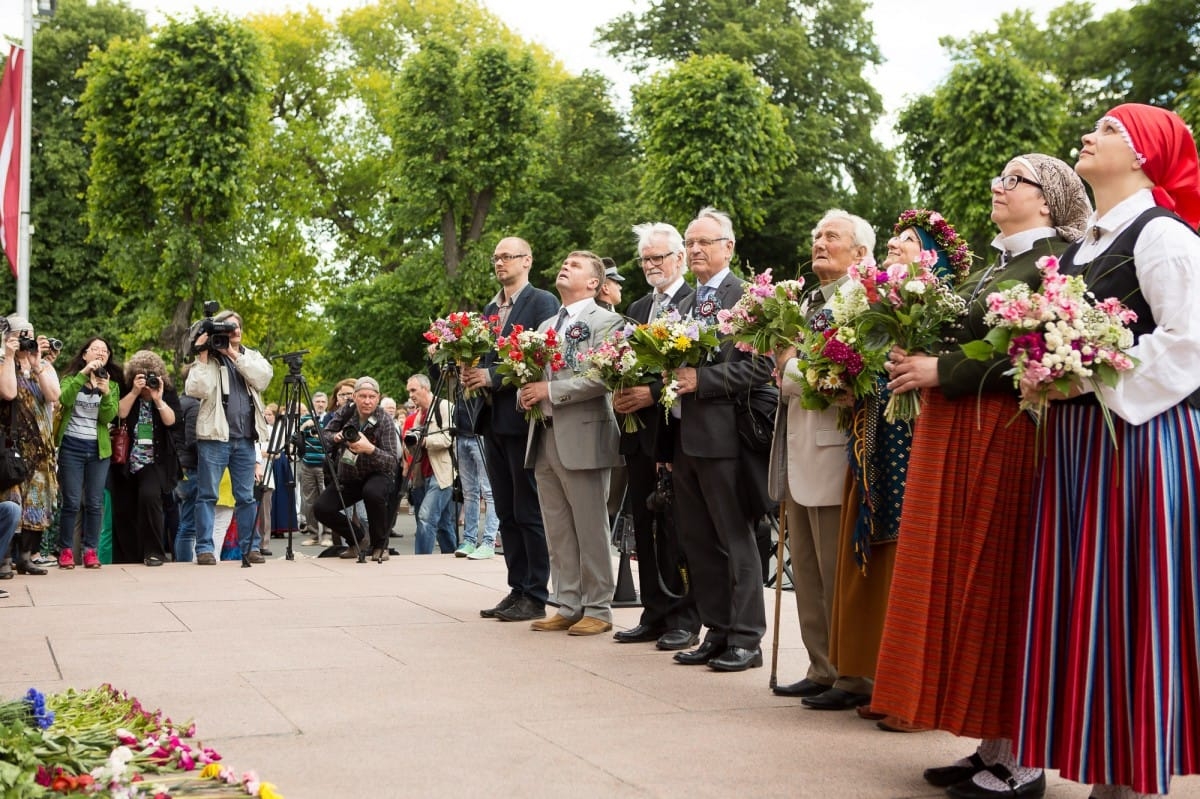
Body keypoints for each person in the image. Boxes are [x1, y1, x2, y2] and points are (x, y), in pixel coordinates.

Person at [871, 156, 1090, 798]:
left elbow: (1040, 354)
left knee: (1001, 583)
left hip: (1009, 438)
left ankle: (1023, 761)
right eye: (996, 175)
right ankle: (991, 744)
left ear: (1047, 201)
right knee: (968, 581)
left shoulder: (1055, 262)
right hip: (963, 436)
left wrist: (943, 371)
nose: (997, 185)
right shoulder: (998, 264)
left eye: (1013, 179)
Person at [1015, 105, 1200, 799]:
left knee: (1133, 600)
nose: (1088, 137)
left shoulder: (1165, 238)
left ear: (1145, 155)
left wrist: (1083, 371)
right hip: (1080, 442)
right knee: (1088, 600)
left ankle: (1134, 772)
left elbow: (1189, 344)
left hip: (1140, 444)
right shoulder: (1079, 249)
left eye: (1109, 130)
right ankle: (1110, 763)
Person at [807, 209, 969, 715]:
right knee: (874, 556)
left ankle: (914, 691)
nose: (895, 246)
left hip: (918, 445)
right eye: (894, 239)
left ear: (933, 258)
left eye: (906, 240)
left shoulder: (949, 310)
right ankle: (874, 675)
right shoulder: (881, 304)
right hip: (873, 443)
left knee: (913, 559)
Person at [768, 210, 871, 700]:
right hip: (797, 447)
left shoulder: (862, 303)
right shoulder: (807, 301)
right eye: (816, 235)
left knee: (836, 572)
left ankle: (853, 673)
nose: (819, 243)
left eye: (832, 236)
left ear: (860, 252)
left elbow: (841, 382)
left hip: (835, 452)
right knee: (805, 569)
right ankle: (821, 665)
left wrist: (787, 370)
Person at [669, 207, 775, 672]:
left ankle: (747, 638)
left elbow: (762, 367)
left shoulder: (748, 297)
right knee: (696, 539)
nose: (694, 250)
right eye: (690, 243)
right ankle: (717, 629)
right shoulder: (686, 304)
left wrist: (701, 379)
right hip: (684, 438)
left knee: (736, 539)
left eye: (704, 242)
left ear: (728, 248)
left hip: (728, 439)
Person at [517, 250, 623, 635]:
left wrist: (550, 389)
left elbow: (602, 378)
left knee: (590, 525)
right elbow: (533, 375)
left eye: (575, 265)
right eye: (564, 262)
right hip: (543, 434)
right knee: (557, 526)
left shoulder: (607, 322)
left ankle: (598, 607)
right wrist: (526, 392)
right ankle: (567, 601)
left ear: (594, 283)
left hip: (584, 433)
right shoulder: (546, 323)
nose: (565, 266)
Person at [611, 222, 699, 650]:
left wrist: (650, 392)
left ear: (679, 258)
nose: (650, 266)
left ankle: (684, 615)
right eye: (645, 259)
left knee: (677, 526)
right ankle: (654, 611)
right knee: (643, 523)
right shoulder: (639, 305)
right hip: (639, 432)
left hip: (677, 431)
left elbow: (687, 364)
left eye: (658, 258)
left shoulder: (693, 300)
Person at [462, 237, 560, 623]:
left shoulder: (542, 302)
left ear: (527, 260)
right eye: (496, 257)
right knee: (504, 509)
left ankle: (536, 591)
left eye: (507, 256)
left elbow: (539, 358)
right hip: (491, 420)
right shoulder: (490, 308)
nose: (500, 263)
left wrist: (491, 376)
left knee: (527, 508)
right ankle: (517, 586)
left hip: (522, 418)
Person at [185, 310, 272, 566]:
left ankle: (251, 548)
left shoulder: (250, 356)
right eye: (227, 328)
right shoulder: (209, 360)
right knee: (207, 495)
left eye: (236, 327)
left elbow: (263, 379)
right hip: (214, 437)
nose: (233, 331)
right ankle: (204, 549)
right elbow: (196, 390)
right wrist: (202, 354)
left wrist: (233, 354)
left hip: (245, 438)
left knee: (245, 497)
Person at [0, 316, 61, 578]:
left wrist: (37, 365)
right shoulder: (4, 363)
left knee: (36, 502)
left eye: (31, 334)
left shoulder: (42, 364)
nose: (28, 340)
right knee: (10, 498)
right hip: (12, 444)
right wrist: (9, 354)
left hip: (40, 444)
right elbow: (9, 393)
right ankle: (3, 559)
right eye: (22, 334)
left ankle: (25, 557)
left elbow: (54, 396)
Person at [315, 376, 400, 562]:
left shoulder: (384, 419)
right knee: (321, 508)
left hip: (377, 473)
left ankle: (380, 546)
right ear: (354, 396)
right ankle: (358, 539)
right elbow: (325, 436)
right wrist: (336, 437)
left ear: (378, 398)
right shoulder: (346, 412)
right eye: (362, 396)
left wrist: (370, 449)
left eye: (371, 396)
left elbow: (392, 461)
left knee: (373, 493)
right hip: (350, 475)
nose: (367, 401)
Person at [54, 337, 120, 569]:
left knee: (94, 502)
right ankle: (65, 551)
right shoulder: (71, 379)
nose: (101, 353)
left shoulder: (111, 385)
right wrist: (84, 374)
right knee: (71, 501)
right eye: (95, 349)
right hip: (71, 447)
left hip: (98, 450)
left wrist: (106, 393)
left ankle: (90, 551)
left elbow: (108, 418)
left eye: (105, 350)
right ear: (85, 355)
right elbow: (64, 399)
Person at [111, 351, 181, 566]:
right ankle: (128, 556)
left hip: (154, 461)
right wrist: (134, 391)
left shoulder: (166, 392)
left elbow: (172, 421)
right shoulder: (126, 390)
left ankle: (154, 552)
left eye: (150, 375)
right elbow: (118, 414)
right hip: (125, 459)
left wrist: (158, 399)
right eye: (140, 376)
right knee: (124, 507)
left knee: (150, 499)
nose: (146, 381)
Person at [404, 373, 455, 555]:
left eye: (413, 390)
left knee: (425, 517)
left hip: (441, 472)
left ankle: (420, 561)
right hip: (422, 474)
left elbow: (448, 438)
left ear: (425, 388)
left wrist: (423, 440)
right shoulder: (417, 415)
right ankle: (451, 555)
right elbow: (414, 450)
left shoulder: (444, 407)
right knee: (442, 522)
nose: (410, 395)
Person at [452, 389, 499, 560]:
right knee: (469, 492)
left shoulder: (480, 365)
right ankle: (469, 541)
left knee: (489, 491)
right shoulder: (459, 370)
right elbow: (436, 372)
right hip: (461, 433)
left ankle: (489, 541)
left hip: (480, 435)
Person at [172, 365, 201, 563]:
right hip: (191, 466)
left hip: (179, 466)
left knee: (184, 522)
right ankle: (183, 564)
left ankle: (180, 560)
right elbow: (192, 440)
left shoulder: (179, 402)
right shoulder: (194, 405)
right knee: (189, 525)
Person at [298, 392, 328, 546]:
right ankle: (314, 534)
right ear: (312, 404)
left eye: (323, 401)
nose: (320, 404)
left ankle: (328, 535)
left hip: (325, 466)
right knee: (309, 501)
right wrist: (304, 426)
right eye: (318, 401)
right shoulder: (304, 418)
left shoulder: (330, 419)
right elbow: (296, 437)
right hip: (308, 464)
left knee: (327, 500)